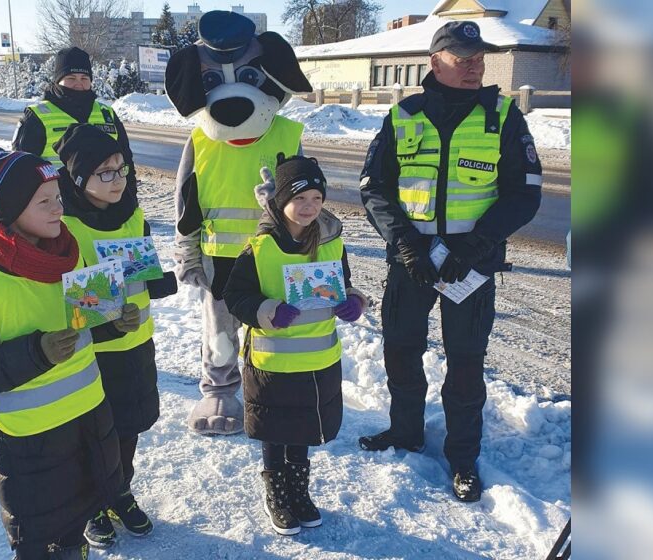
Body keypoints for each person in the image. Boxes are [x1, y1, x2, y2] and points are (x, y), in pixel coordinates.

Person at [358, 20, 542, 502]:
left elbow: (525, 195)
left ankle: (463, 456)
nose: (474, 66)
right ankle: (405, 432)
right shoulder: (403, 115)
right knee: (400, 349)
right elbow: (374, 188)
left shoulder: (503, 117)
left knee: (465, 363)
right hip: (411, 261)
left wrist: (474, 247)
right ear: (435, 61)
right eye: (463, 59)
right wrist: (405, 246)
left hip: (471, 265)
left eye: (479, 58)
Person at [0, 147, 127, 559]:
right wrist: (36, 352)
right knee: (41, 542)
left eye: (58, 197)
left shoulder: (68, 252)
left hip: (87, 424)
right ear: (8, 208)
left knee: (75, 527)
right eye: (44, 201)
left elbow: (84, 321)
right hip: (28, 448)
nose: (59, 209)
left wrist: (113, 321)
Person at [164, 10, 313, 435]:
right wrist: (186, 252)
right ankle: (219, 392)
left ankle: (269, 388)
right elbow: (185, 201)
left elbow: (308, 197)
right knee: (220, 331)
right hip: (219, 259)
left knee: (271, 324)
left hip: (270, 256)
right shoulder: (198, 139)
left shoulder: (286, 133)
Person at [224, 154, 367, 535]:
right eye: (300, 199)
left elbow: (344, 282)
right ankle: (276, 491)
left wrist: (353, 301)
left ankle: (298, 491)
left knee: (304, 427)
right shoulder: (260, 247)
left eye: (317, 200)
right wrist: (266, 309)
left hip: (318, 359)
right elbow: (235, 295)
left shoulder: (333, 243)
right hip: (271, 363)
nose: (309, 208)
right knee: (275, 429)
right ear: (281, 201)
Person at [52, 123, 178, 545]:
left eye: (121, 169)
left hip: (137, 342)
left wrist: (162, 281)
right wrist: (105, 322)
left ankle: (119, 492)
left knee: (129, 425)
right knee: (94, 432)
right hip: (95, 352)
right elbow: (71, 299)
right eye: (105, 172)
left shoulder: (134, 214)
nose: (118, 180)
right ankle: (92, 504)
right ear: (78, 177)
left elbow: (143, 272)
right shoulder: (68, 226)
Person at [12, 46, 135, 184]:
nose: (79, 84)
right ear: (58, 80)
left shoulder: (107, 114)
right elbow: (21, 171)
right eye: (71, 78)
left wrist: (131, 202)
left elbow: (126, 163)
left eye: (84, 78)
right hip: (58, 202)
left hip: (104, 202)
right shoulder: (36, 116)